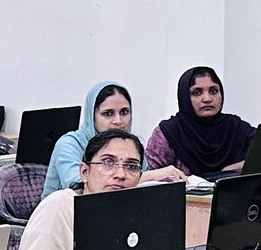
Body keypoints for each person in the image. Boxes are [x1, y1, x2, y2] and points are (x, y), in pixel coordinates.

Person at [13, 129, 147, 250]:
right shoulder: (60, 207)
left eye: (131, 166)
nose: (121, 174)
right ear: (84, 172)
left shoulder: (140, 211)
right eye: (108, 162)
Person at [43, 80, 186, 196]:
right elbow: (79, 185)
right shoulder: (70, 143)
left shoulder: (130, 147)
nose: (118, 121)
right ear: (92, 116)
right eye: (108, 113)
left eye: (124, 112)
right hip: (64, 215)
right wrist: (152, 175)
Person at [145, 65, 255, 179]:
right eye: (197, 93)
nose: (207, 99)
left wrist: (232, 169)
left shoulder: (236, 128)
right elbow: (145, 178)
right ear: (184, 97)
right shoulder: (169, 133)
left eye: (213, 91)